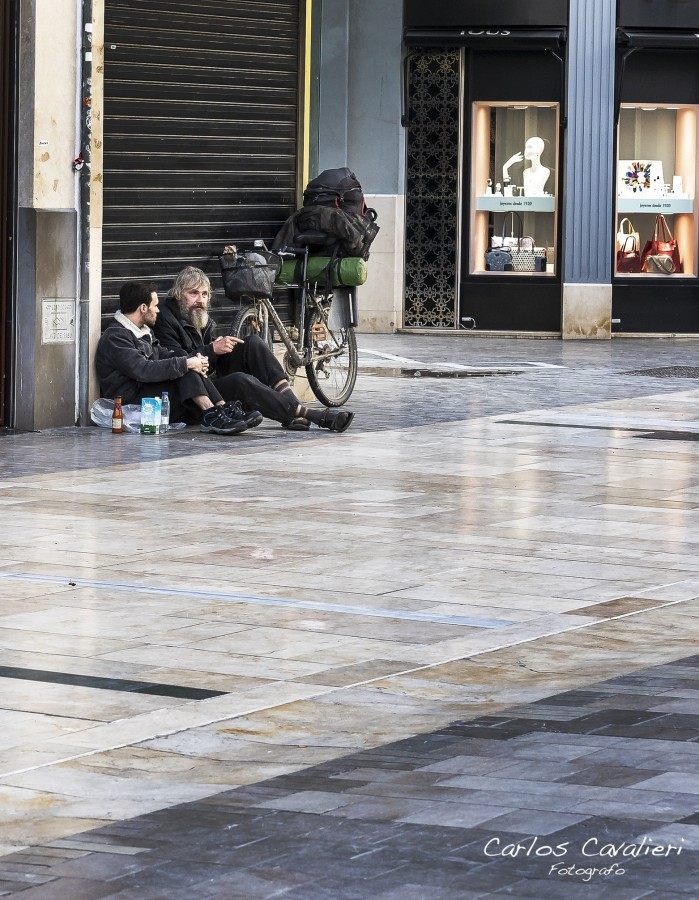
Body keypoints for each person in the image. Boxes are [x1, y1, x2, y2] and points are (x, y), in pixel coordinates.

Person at [152, 265, 354, 433]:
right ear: (179, 295)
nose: (200, 300)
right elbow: (178, 364)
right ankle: (309, 414)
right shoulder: (165, 321)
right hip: (192, 397)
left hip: (209, 380)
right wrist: (212, 349)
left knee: (252, 343)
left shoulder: (201, 319)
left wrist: (217, 349)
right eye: (193, 293)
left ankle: (290, 404)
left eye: (204, 294)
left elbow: (207, 359)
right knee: (241, 380)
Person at [94, 281, 260, 435]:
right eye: (155, 306)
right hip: (131, 403)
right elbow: (142, 369)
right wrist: (186, 363)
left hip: (149, 392)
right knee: (184, 368)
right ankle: (211, 415)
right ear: (143, 308)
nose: (158, 310)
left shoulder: (143, 331)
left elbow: (164, 355)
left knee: (184, 361)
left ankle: (222, 409)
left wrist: (195, 360)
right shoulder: (115, 337)